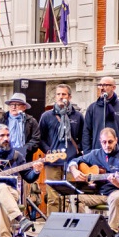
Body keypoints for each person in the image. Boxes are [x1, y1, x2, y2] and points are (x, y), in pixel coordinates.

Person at [67, 127, 119, 231]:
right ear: (100, 142)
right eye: (104, 142)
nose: (107, 145)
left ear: (116, 140)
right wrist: (74, 170)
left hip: (117, 192)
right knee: (74, 198)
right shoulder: (95, 154)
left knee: (115, 197)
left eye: (110, 142)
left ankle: (111, 233)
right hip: (98, 194)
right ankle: (81, 231)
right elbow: (74, 161)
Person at [39, 84, 84, 213]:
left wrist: (78, 151)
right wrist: (48, 150)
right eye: (58, 94)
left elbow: (83, 137)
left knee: (73, 196)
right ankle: (53, 227)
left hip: (72, 162)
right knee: (53, 197)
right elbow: (40, 138)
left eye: (63, 94)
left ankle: (73, 226)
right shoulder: (47, 116)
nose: (60, 97)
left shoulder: (78, 116)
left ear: (69, 97)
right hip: (52, 161)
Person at [82, 76, 119, 154]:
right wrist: (87, 152)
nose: (102, 88)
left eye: (105, 85)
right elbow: (86, 131)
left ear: (113, 87)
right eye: (100, 85)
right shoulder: (92, 108)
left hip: (118, 153)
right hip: (97, 152)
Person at [0, 93, 41, 162]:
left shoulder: (31, 121)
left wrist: (24, 149)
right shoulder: (1, 121)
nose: (13, 107)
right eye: (11, 105)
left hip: (24, 157)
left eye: (17, 105)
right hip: (4, 156)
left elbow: (36, 139)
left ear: (24, 107)